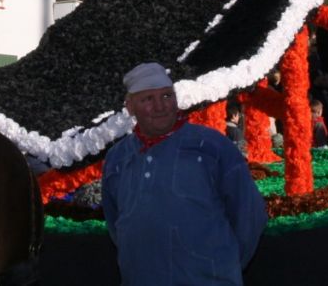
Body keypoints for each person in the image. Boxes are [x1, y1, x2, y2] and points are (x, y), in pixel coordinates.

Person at [101, 62, 267, 284]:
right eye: (148, 99)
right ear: (130, 107)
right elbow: (116, 224)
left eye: (167, 96)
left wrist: (222, 265)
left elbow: (249, 214)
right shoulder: (118, 158)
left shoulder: (211, 146)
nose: (161, 106)